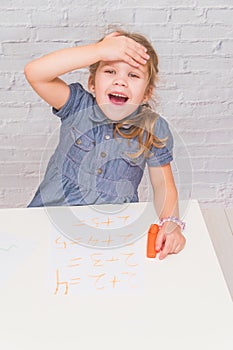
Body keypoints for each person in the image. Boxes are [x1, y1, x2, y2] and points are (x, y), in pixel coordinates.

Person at [24, 30, 186, 259]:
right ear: (92, 82)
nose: (120, 80)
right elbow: (35, 73)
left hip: (109, 233)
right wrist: (99, 50)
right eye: (110, 71)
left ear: (147, 92)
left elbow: (163, 185)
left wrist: (171, 224)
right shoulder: (78, 106)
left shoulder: (153, 127)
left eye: (133, 75)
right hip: (47, 222)